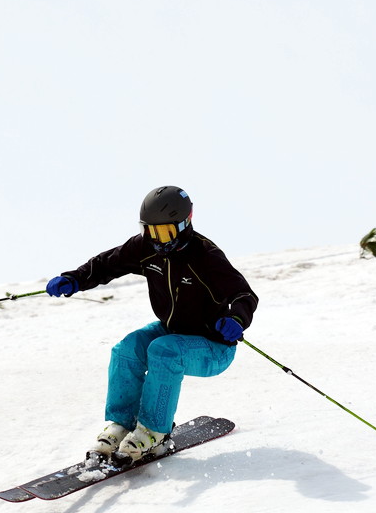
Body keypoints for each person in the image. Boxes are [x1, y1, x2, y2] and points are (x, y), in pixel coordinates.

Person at [46, 185, 258, 464]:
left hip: (213, 346)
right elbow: (107, 264)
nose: (159, 240)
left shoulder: (205, 256)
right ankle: (122, 424)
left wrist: (235, 319)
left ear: (185, 223)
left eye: (166, 232)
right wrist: (75, 279)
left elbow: (244, 294)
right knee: (127, 349)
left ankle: (155, 431)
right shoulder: (145, 247)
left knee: (163, 350)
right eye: (151, 231)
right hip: (173, 331)